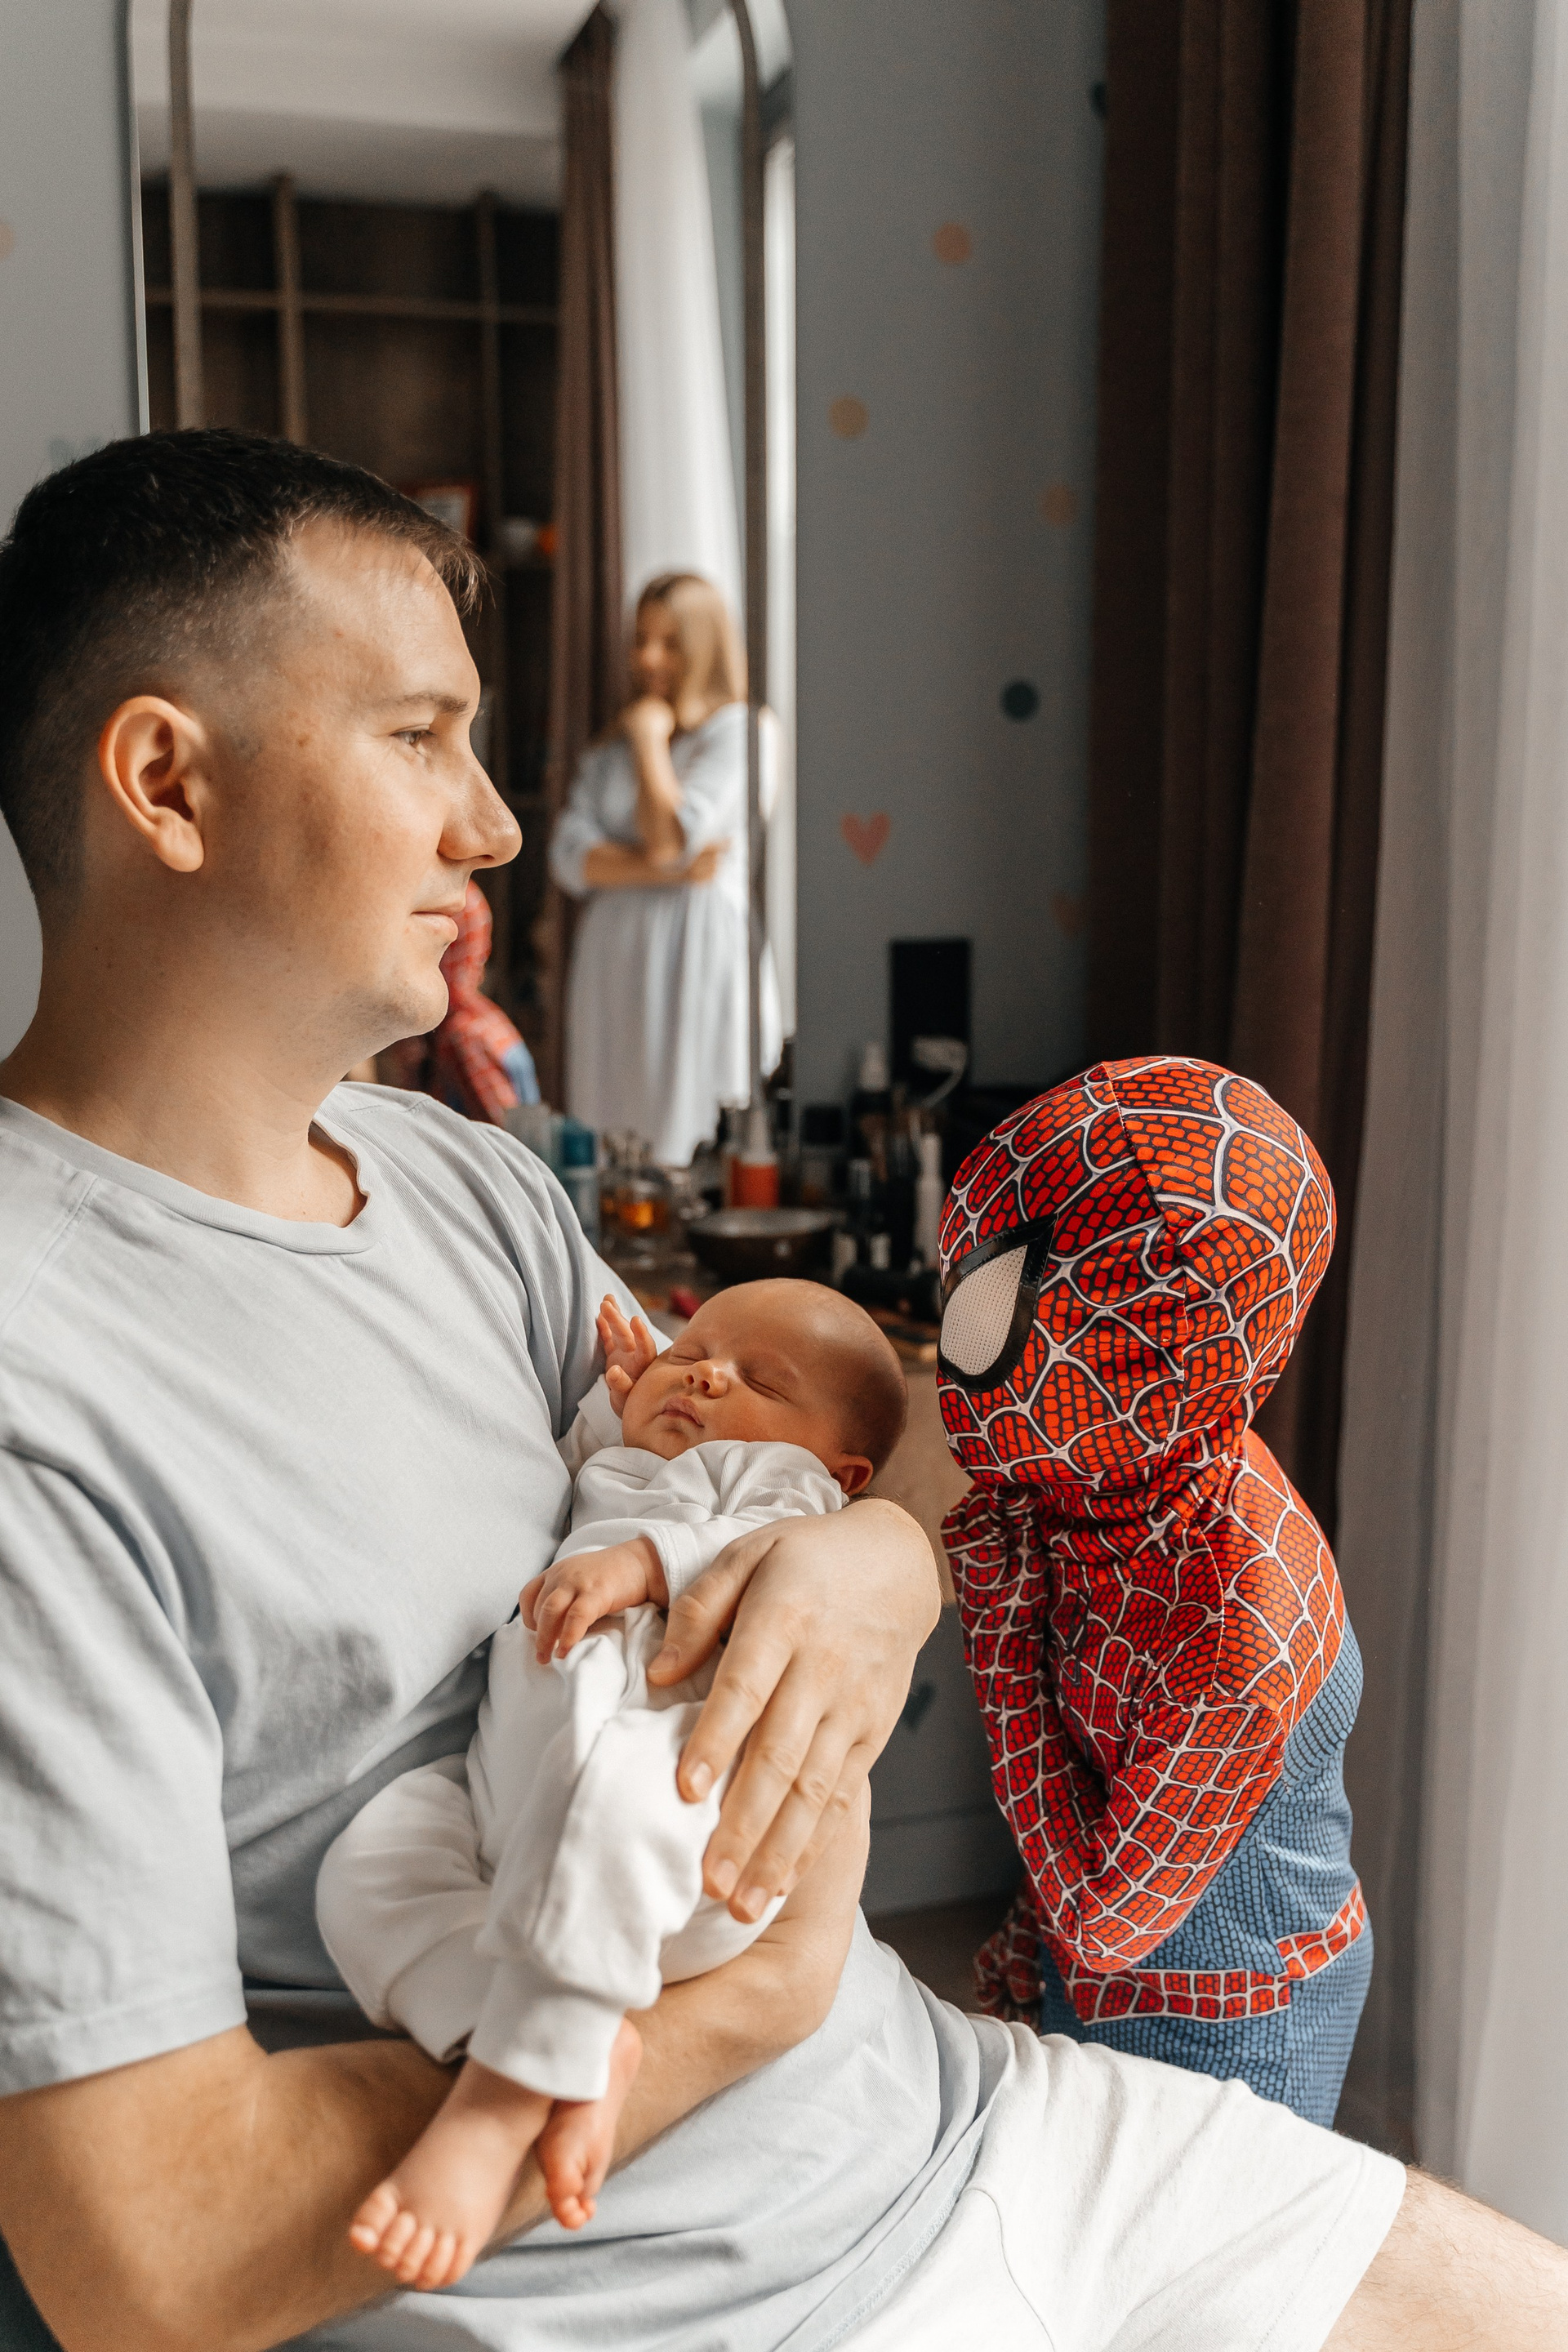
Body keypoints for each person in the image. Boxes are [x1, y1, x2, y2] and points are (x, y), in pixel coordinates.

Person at [0, 430, 1562, 2352]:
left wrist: (882, 1562)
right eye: (418, 739)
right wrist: (737, 2007)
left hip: (971, 2121)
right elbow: (148, 2258)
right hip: (691, 2305)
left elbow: (871, 1415)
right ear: (169, 783)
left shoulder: (467, 1190)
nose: (492, 826)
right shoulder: (37, 1382)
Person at [319, 1283, 908, 2287]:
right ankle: (553, 2033)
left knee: (609, 1801)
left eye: (761, 1381)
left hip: (671, 1806)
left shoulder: (782, 1483)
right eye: (692, 1350)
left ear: (838, 1467)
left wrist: (646, 1562)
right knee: (369, 1863)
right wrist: (623, 1392)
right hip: (510, 1791)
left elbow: (765, 1551)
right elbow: (560, 1460)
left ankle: (502, 2100)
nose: (707, 1373)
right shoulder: (623, 1457)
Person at [936, 1058, 1370, 2123]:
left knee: (1201, 2239)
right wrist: (1031, 1933)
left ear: (1145, 1356)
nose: (957, 1345)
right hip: (1095, 1982)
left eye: (997, 1312)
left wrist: (999, 1643)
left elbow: (1106, 1922)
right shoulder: (1111, 1480)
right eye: (964, 1287)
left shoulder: (1237, 1627)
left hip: (1239, 2028)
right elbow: (1103, 1782)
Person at [547, 572, 782, 1166]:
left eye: (670, 643)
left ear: (704, 646)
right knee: (611, 1130)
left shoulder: (742, 732)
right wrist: (671, 873)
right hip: (614, 961)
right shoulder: (611, 748)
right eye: (641, 640)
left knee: (692, 1122)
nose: (648, 658)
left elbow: (669, 837)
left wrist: (652, 741)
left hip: (698, 952)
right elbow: (569, 859)